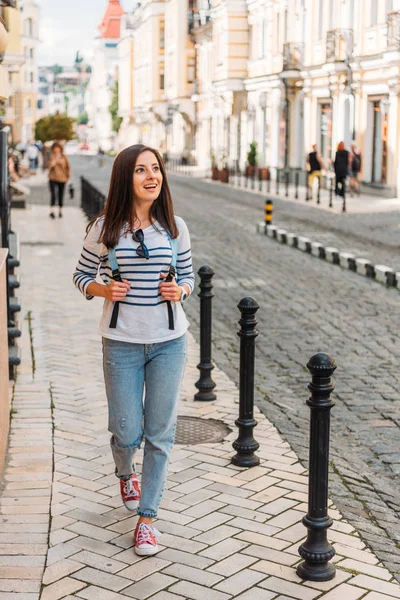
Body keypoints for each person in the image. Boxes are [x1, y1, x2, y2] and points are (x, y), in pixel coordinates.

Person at [73, 144, 194, 556]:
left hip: (168, 342)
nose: (151, 176)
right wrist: (103, 288)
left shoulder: (175, 227)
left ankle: (148, 519)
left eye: (156, 169)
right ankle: (125, 472)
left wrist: (181, 289)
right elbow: (81, 275)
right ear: (126, 178)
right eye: (141, 170)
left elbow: (190, 277)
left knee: (160, 434)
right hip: (121, 343)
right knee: (126, 432)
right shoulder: (105, 228)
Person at [48, 142, 71, 219]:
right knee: (53, 194)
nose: (56, 149)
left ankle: (60, 210)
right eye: (55, 147)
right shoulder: (51, 156)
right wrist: (53, 162)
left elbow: (68, 167)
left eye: (58, 147)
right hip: (53, 177)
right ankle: (52, 211)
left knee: (61, 194)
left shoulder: (64, 156)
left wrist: (68, 176)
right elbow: (49, 165)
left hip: (62, 178)